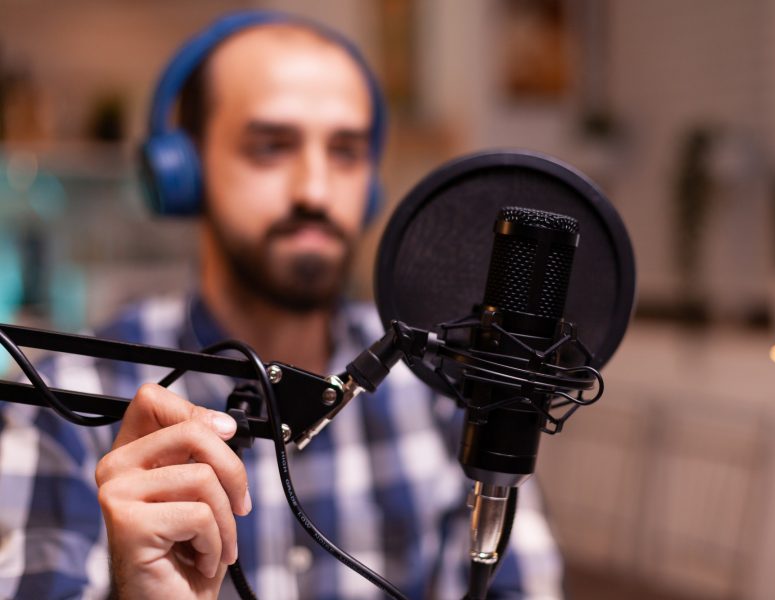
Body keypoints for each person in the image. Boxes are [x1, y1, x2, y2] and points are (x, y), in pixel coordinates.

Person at [0, 10, 564, 600]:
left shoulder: (443, 384)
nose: (315, 190)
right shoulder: (63, 400)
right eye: (270, 147)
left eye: (345, 152)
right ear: (184, 173)